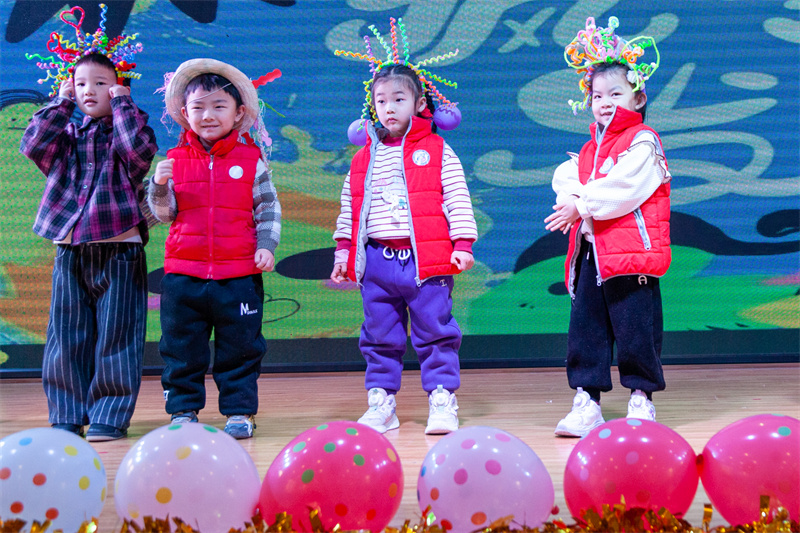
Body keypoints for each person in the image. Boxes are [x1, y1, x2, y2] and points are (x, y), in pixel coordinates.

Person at [331, 19, 478, 435]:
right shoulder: (363, 159)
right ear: (372, 107)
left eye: (399, 98)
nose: (390, 107)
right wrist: (345, 252)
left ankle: (442, 399)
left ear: (418, 104)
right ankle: (382, 402)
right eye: (381, 100)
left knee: (436, 333)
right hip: (377, 262)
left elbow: (457, 197)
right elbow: (350, 210)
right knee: (379, 336)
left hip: (426, 262)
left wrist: (462, 243)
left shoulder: (437, 150)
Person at [19, 4, 157, 441]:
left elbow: (138, 151)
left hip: (120, 248)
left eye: (101, 82)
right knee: (66, 335)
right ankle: (66, 415)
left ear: (119, 87)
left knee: (117, 336)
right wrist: (60, 101)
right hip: (70, 248)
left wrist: (122, 102)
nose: (89, 90)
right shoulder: (65, 136)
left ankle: (109, 417)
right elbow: (32, 143)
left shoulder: (129, 130)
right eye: (81, 84)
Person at [545, 16, 671, 437]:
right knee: (586, 332)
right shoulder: (587, 149)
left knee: (636, 330)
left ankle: (641, 398)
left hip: (631, 256)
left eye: (615, 92)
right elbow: (565, 177)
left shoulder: (644, 141)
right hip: (592, 258)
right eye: (597, 94)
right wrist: (574, 197)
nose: (604, 101)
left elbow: (625, 188)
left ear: (638, 97)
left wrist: (580, 202)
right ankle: (587, 401)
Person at [148, 58, 281, 439]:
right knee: (180, 349)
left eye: (218, 106)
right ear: (183, 114)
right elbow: (162, 214)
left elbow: (268, 207)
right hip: (182, 277)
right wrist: (158, 185)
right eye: (198, 107)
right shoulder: (172, 161)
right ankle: (183, 411)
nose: (208, 115)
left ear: (239, 114)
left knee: (240, 348)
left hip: (238, 275)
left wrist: (266, 246)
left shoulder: (251, 159)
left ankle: (240, 412)